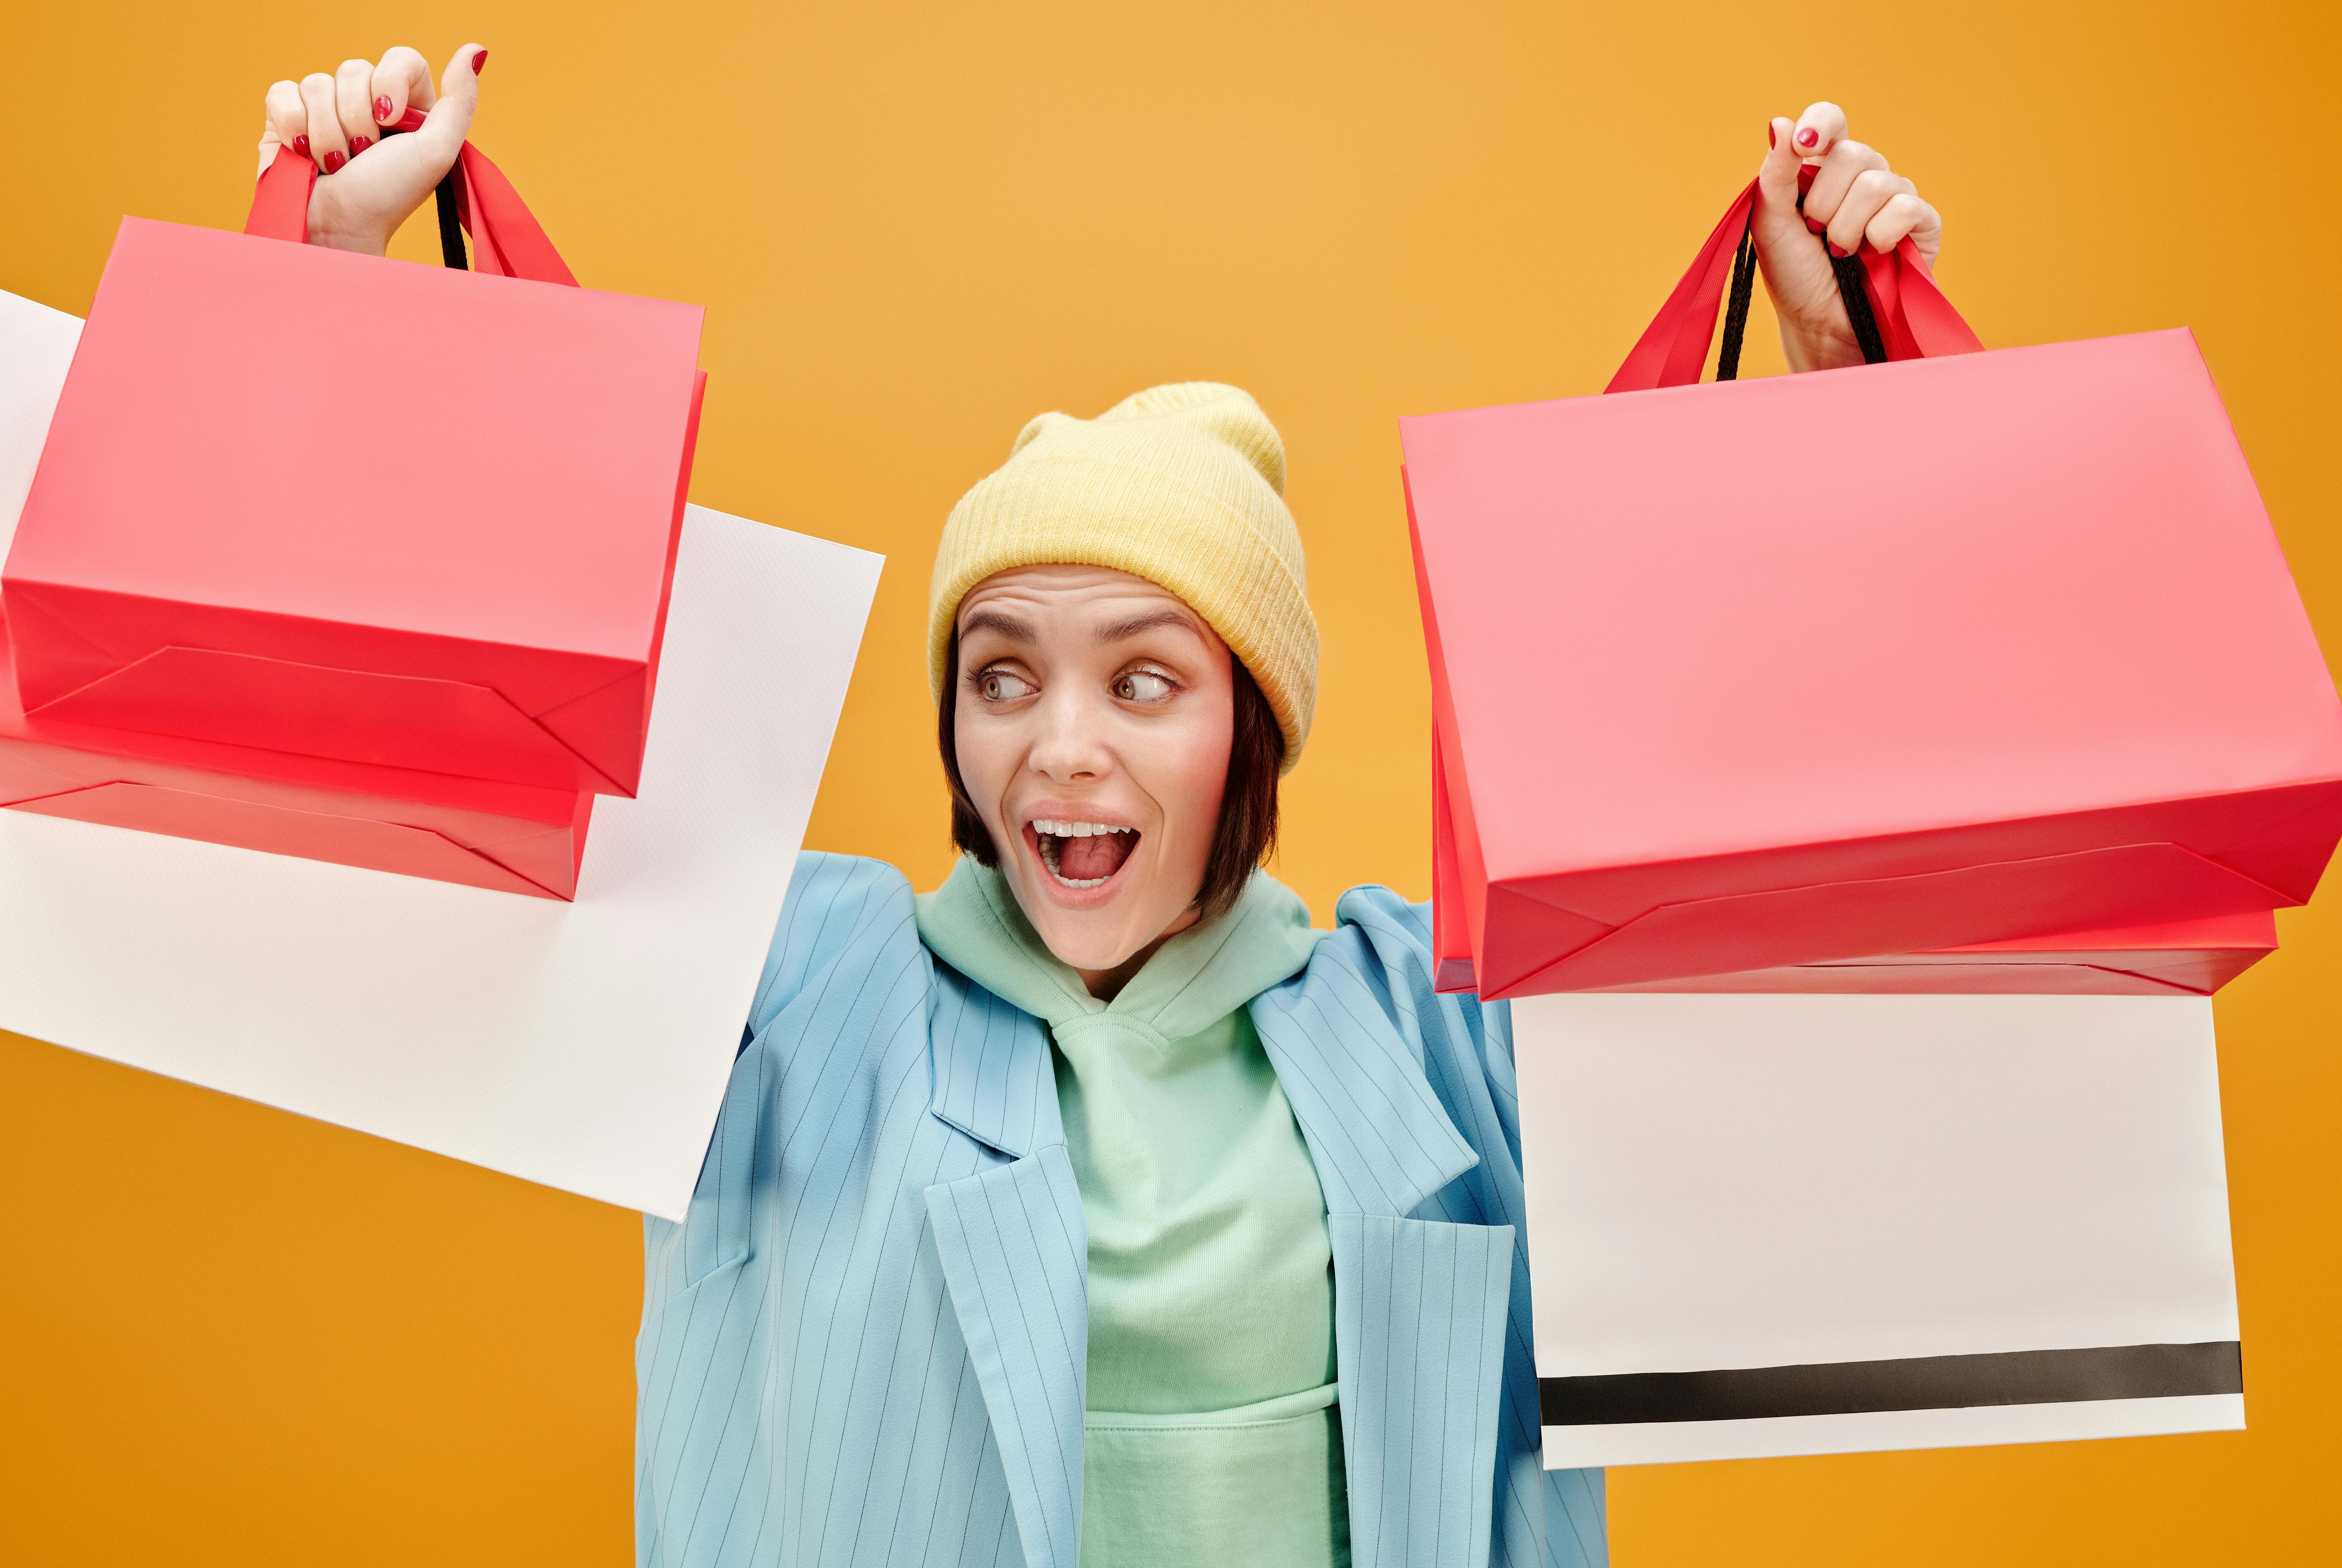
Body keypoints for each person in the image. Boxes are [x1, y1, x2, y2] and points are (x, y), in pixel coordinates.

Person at [257, 43, 1946, 1568]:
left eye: (1145, 679)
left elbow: (1843, 914)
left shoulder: (1446, 1031)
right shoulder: (785, 998)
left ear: (1252, 730)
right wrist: (339, 295)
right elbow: (426, 804)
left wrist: (1847, 385)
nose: (1059, 746)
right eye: (1003, 674)